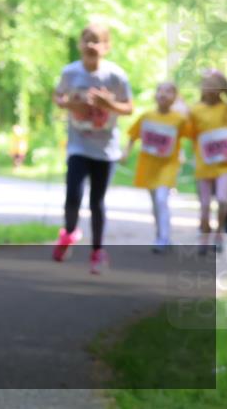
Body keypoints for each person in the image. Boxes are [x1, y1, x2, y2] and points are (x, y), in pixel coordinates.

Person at [51, 23, 133, 274]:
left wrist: (108, 102)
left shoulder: (116, 76)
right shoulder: (70, 72)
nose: (91, 45)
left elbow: (129, 108)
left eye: (97, 41)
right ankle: (69, 232)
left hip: (105, 148)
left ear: (106, 47)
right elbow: (57, 96)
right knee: (72, 195)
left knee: (97, 201)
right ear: (79, 44)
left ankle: (97, 251)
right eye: (87, 40)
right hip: (78, 144)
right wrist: (70, 105)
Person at [122, 82, 188, 253]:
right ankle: (162, 235)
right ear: (155, 95)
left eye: (168, 92)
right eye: (160, 91)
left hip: (168, 166)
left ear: (174, 97)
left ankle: (163, 238)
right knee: (155, 203)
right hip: (149, 167)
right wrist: (125, 153)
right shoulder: (147, 117)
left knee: (161, 200)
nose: (163, 94)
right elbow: (133, 135)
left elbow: (194, 133)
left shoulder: (179, 119)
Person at [183, 69, 227, 254]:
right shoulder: (195, 110)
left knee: (222, 199)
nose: (210, 89)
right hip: (204, 164)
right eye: (207, 85)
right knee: (204, 204)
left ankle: (219, 233)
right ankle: (204, 235)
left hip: (226, 165)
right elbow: (188, 133)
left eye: (215, 86)